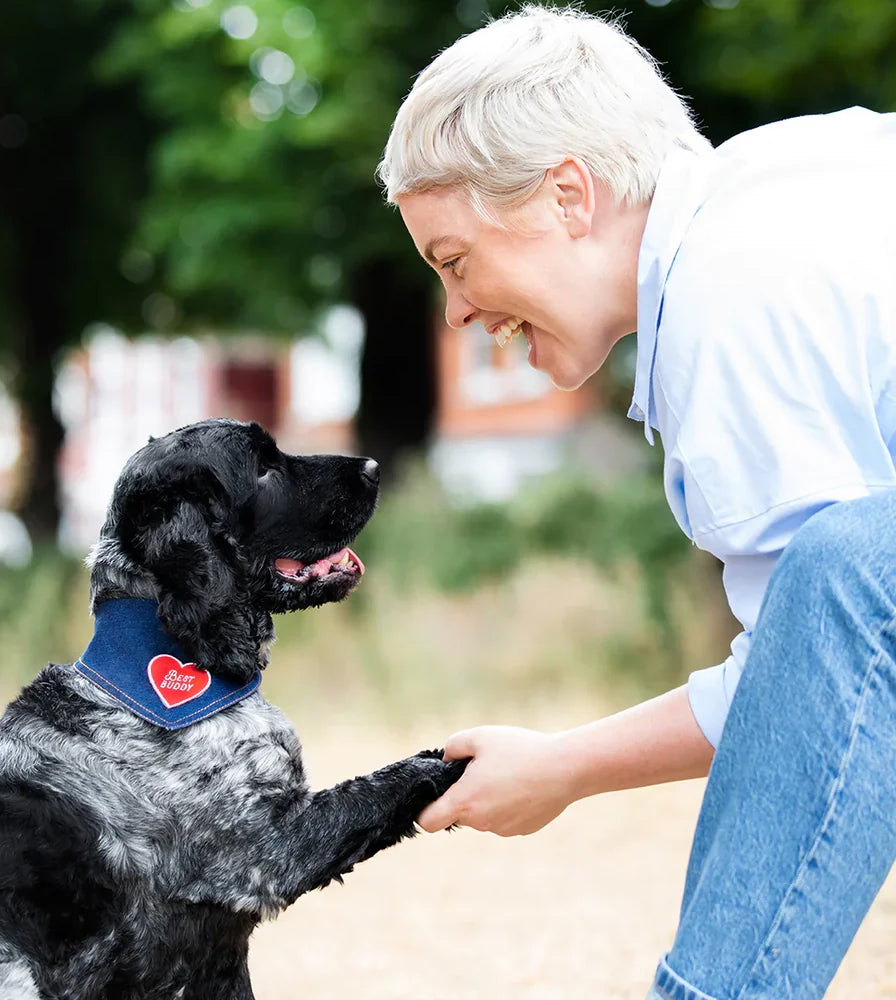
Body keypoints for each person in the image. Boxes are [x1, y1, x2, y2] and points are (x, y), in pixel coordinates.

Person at [377, 5, 896, 999]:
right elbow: (827, 685)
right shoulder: (778, 191)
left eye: (453, 260)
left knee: (843, 569)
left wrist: (566, 765)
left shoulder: (730, 294)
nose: (457, 311)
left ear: (568, 193)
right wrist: (563, 762)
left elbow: (822, 682)